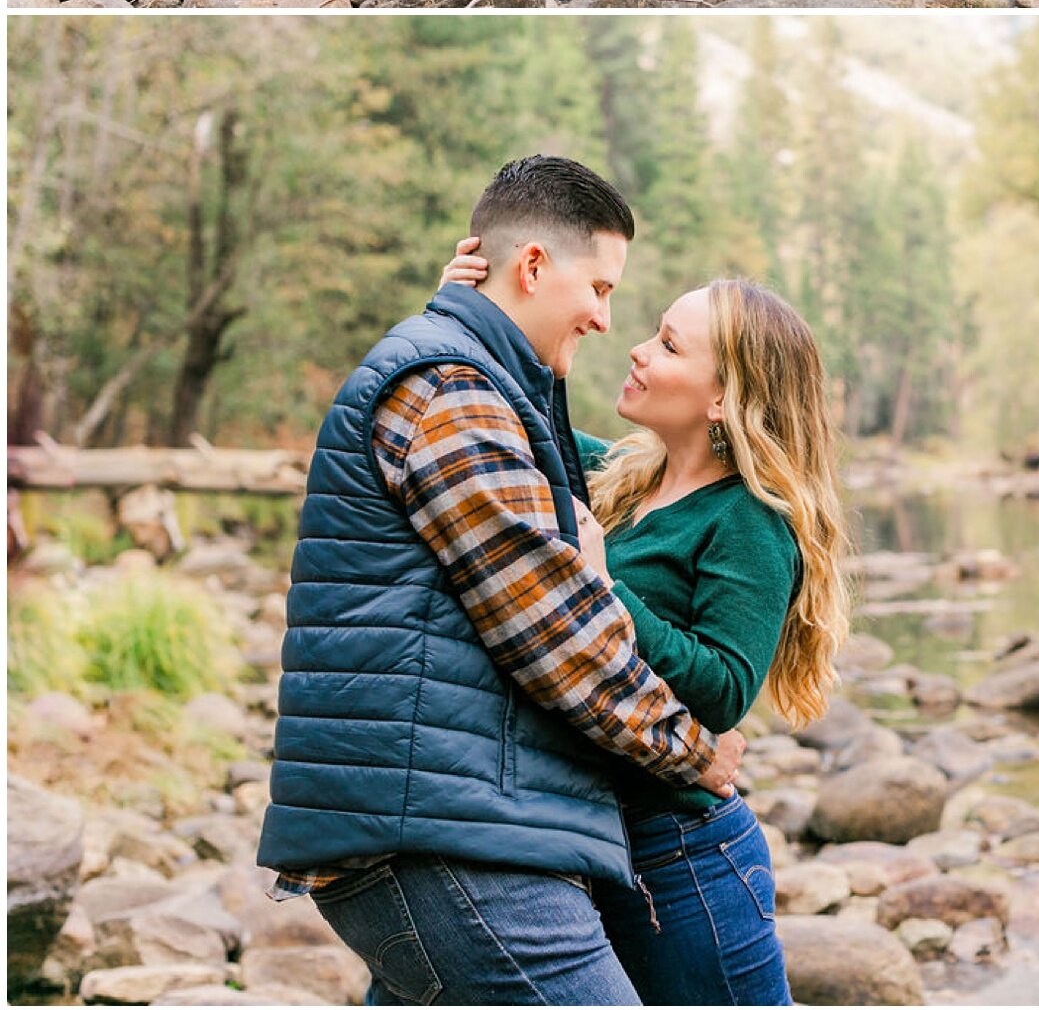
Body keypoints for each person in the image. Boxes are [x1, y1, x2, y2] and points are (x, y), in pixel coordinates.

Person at [256, 156, 747, 1006]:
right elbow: (553, 628)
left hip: (440, 823)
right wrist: (692, 750)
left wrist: (472, 315)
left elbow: (543, 473)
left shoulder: (473, 379)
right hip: (449, 843)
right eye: (599, 287)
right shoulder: (453, 390)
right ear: (532, 266)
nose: (604, 317)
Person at [440, 239, 851, 1006]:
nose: (636, 348)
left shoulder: (750, 521)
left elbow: (724, 689)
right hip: (597, 846)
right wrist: (472, 307)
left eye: (667, 344)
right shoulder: (627, 474)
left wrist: (605, 589)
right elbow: (514, 423)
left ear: (722, 399)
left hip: (686, 862)